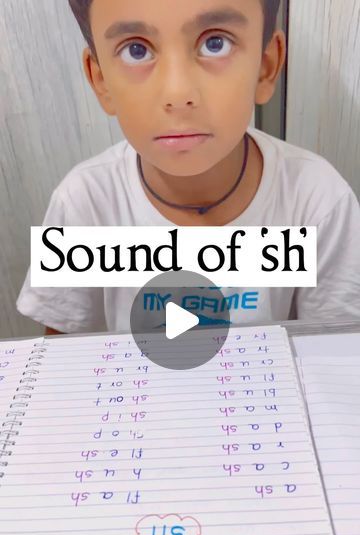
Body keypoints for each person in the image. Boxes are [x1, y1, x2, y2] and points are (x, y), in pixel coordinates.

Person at [17, 0, 360, 334]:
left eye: (215, 43)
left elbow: (331, 356)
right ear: (101, 79)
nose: (178, 93)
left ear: (266, 65)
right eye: (136, 50)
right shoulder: (83, 204)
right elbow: (58, 362)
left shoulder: (318, 200)